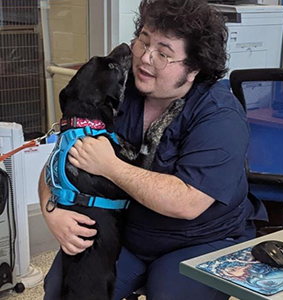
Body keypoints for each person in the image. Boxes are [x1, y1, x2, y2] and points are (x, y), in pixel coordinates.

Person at [39, 0, 268, 299]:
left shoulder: (219, 114)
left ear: (193, 68)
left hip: (202, 238)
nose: (145, 59)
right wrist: (51, 210)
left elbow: (187, 202)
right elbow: (60, 160)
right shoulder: (120, 89)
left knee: (170, 293)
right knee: (60, 290)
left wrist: (110, 166)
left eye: (163, 54)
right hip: (129, 233)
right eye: (143, 42)